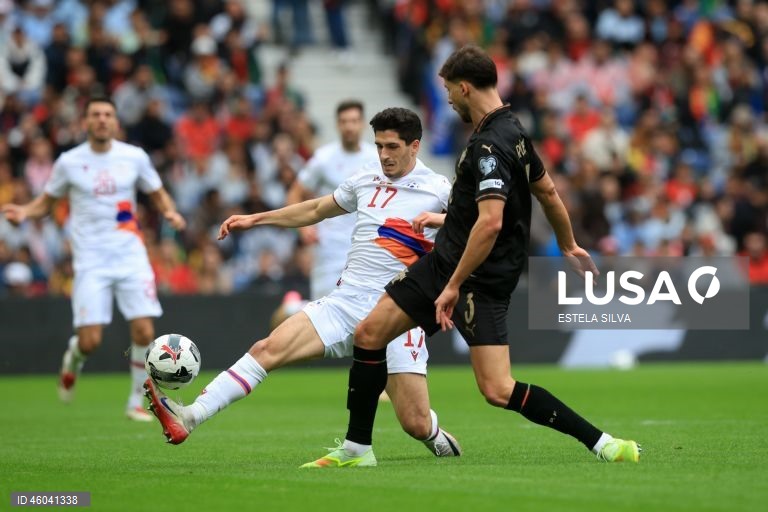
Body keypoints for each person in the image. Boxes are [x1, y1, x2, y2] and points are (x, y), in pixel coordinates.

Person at [303, 45, 641, 468]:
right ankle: (357, 450)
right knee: (370, 334)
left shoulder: (488, 147)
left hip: (473, 277)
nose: (446, 98)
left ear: (464, 88)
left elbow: (490, 224)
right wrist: (568, 243)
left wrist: (453, 285)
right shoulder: (515, 130)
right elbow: (548, 192)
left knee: (498, 389)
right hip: (454, 265)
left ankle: (604, 442)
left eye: (448, 90)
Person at [144, 107, 462, 462]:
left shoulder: (438, 188)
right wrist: (257, 219)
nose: (384, 155)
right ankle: (190, 416)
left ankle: (433, 433)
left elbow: (476, 227)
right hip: (346, 303)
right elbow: (314, 210)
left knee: (414, 423)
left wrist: (443, 229)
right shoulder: (365, 179)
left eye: (392, 147)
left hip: (399, 313)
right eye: (379, 146)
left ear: (415, 146)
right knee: (267, 348)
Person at [1, 97, 186, 421]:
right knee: (91, 341)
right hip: (90, 260)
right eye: (96, 115)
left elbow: (156, 191)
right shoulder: (70, 162)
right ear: (86, 122)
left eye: (107, 115)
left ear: (115, 122)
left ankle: (134, 402)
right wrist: (25, 212)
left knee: (144, 331)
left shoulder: (133, 157)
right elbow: (47, 202)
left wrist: (169, 211)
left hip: (130, 253)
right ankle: (73, 358)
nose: (102, 120)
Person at [286, 100, 378, 300]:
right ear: (337, 124)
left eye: (354, 121)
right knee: (323, 308)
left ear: (362, 123)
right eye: (344, 121)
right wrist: (303, 229)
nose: (349, 127)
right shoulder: (323, 158)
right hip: (329, 248)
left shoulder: (376, 158)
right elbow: (295, 193)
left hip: (365, 247)